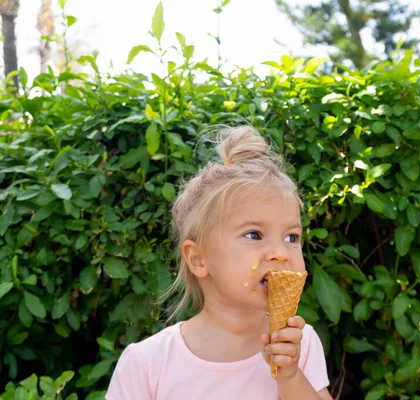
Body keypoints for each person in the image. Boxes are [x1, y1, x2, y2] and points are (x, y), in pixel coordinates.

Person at [106, 126, 333, 399]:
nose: (281, 253)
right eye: (254, 234)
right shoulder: (147, 365)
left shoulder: (299, 344)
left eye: (291, 236)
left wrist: (291, 376)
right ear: (199, 259)